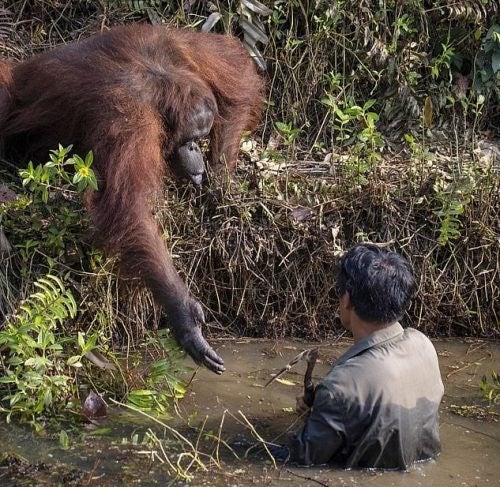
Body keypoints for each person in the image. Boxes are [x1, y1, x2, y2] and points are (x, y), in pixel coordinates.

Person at [270, 244, 444, 470]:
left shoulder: (341, 387)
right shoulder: (423, 344)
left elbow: (296, 460)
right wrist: (320, 414)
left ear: (347, 300)